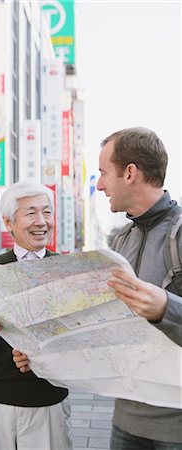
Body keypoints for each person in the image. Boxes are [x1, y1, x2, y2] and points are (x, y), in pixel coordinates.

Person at [0, 181, 72, 450]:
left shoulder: (66, 271)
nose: (41, 221)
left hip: (49, 400)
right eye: (31, 213)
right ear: (9, 222)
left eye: (47, 212)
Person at [96, 127, 182, 449]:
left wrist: (165, 308)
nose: (100, 184)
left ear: (130, 172)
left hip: (175, 428)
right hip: (125, 419)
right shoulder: (119, 241)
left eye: (104, 173)